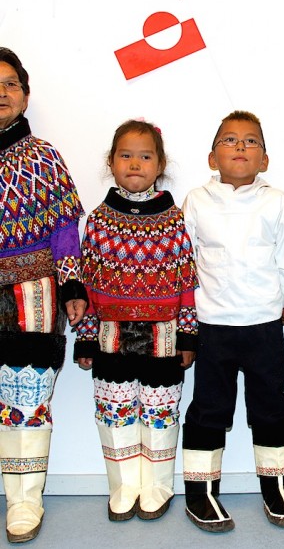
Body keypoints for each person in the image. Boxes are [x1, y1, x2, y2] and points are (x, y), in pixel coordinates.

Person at [181, 110, 284, 532]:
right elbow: (185, 261)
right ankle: (200, 489)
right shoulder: (196, 200)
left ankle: (279, 485)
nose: (240, 148)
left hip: (264, 325)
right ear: (212, 158)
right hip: (212, 324)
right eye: (229, 141)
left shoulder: (277, 202)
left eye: (251, 142)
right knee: (209, 408)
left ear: (265, 160)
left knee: (271, 407)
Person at [74, 120, 199, 522]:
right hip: (111, 338)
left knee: (160, 414)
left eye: (145, 155)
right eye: (125, 154)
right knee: (115, 413)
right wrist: (86, 340)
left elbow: (187, 281)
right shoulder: (97, 220)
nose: (135, 163)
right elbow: (89, 285)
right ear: (111, 162)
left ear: (160, 164)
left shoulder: (174, 220)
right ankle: (123, 486)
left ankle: (157, 486)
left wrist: (188, 336)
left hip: (163, 338)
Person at [0, 47, 87, 544]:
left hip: (33, 294)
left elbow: (65, 228)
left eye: (10, 84)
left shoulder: (44, 156)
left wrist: (72, 281)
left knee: (26, 400)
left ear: (26, 96)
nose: (1, 93)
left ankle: (24, 500)